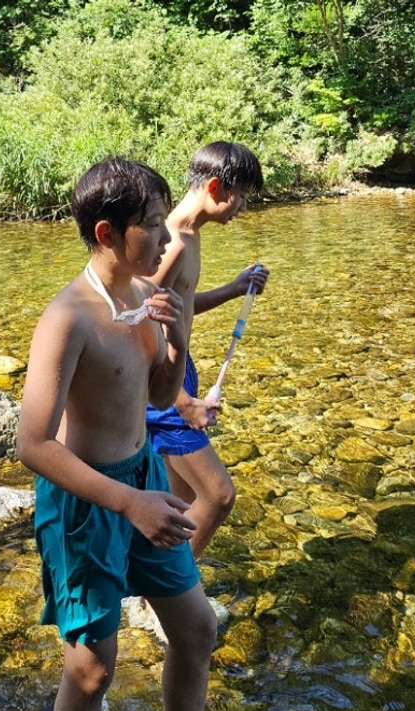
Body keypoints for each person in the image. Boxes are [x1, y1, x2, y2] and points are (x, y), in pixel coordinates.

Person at [17, 156, 219, 711]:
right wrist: (128, 501)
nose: (166, 241)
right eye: (153, 227)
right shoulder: (68, 317)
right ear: (108, 234)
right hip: (89, 500)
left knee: (196, 628)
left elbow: (158, 398)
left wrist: (177, 343)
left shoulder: (138, 296)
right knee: (92, 672)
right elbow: (33, 444)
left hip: (142, 478)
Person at [146, 141, 269, 560]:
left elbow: (178, 305)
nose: (243, 208)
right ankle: (168, 593)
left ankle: (155, 591)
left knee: (178, 504)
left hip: (179, 371)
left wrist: (234, 289)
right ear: (216, 188)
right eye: (242, 197)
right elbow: (139, 326)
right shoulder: (174, 241)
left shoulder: (189, 235)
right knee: (218, 497)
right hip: (164, 383)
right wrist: (182, 403)